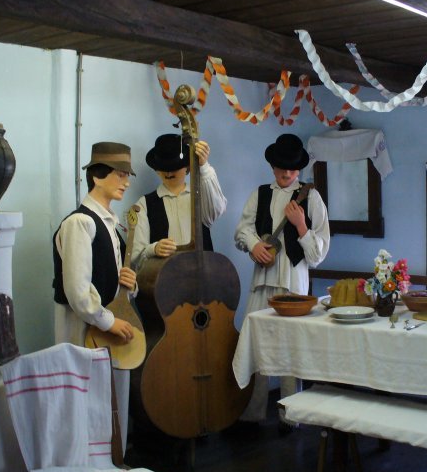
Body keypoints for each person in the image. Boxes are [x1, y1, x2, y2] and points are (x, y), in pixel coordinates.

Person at [234, 133, 330, 432]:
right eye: (281, 167)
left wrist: (301, 226)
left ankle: (291, 415)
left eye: (291, 168)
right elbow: (242, 230)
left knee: (290, 348)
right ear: (273, 167)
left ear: (299, 169)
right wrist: (254, 246)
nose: (286, 173)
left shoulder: (312, 198)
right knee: (257, 344)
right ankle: (252, 413)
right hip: (262, 281)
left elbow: (318, 255)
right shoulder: (260, 194)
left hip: (293, 283)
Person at [52, 141, 137, 453]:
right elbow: (78, 290)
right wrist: (108, 321)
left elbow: (111, 278)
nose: (126, 182)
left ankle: (114, 461)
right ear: (98, 176)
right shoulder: (80, 223)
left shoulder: (110, 224)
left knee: (112, 403)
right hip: (84, 329)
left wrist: (129, 284)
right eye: (119, 174)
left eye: (127, 175)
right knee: (88, 404)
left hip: (108, 329)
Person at [130, 133, 226, 270]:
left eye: (174, 168)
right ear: (157, 170)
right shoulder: (144, 204)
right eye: (164, 169)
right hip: (164, 278)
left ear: (187, 167)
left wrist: (204, 167)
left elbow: (217, 210)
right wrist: (154, 249)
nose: (169, 174)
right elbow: (136, 256)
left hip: (202, 275)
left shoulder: (200, 197)